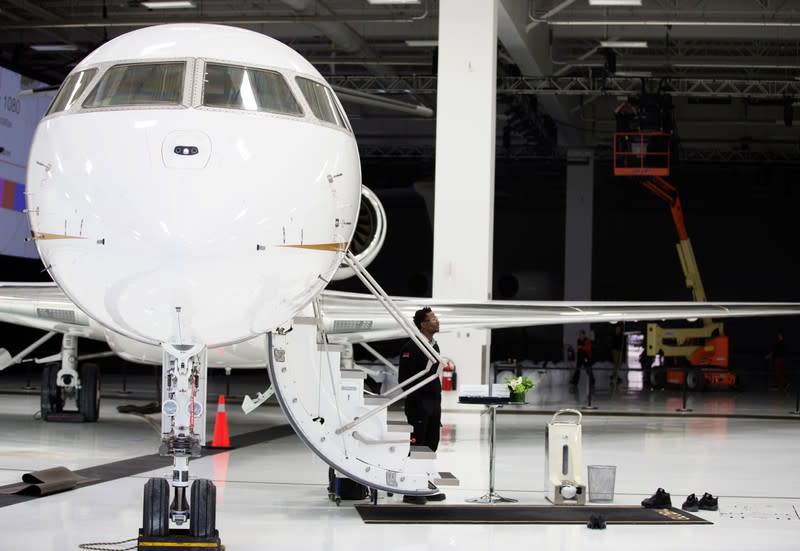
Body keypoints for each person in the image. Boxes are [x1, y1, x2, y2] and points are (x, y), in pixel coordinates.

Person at [398, 307, 445, 504]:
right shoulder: (412, 347)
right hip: (419, 404)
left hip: (434, 403)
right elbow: (404, 380)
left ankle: (424, 484)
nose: (437, 321)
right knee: (418, 446)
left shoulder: (434, 345)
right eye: (432, 319)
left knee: (431, 444)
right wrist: (419, 401)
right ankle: (410, 490)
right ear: (423, 325)